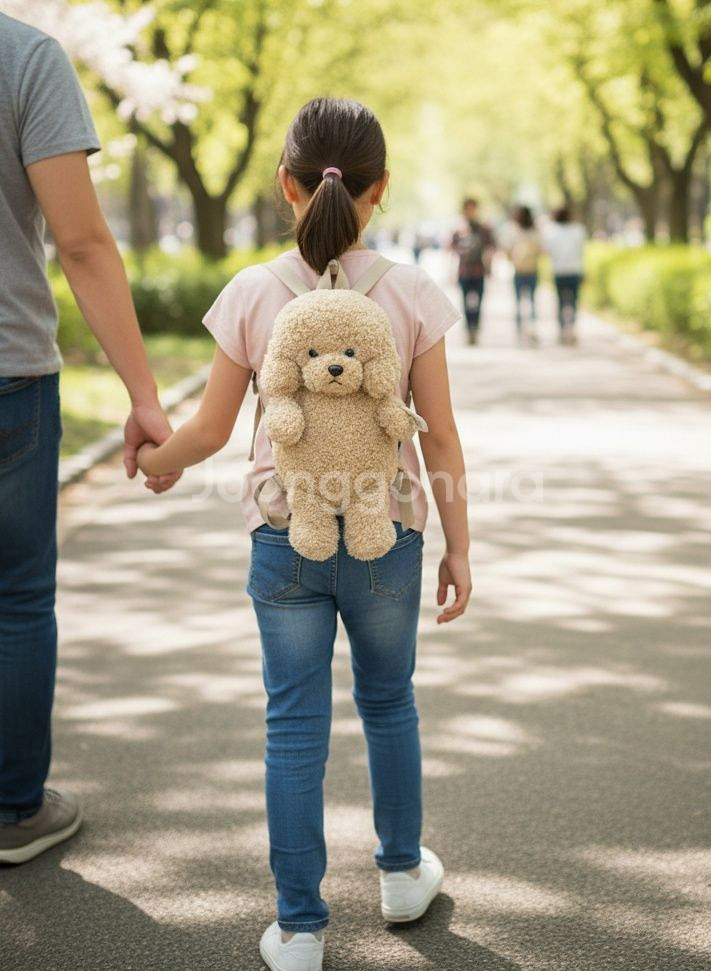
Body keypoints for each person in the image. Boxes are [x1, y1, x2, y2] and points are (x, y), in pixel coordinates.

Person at [135, 97, 472, 971]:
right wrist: (459, 545)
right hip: (387, 534)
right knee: (389, 700)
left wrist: (160, 459)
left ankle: (297, 928)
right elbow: (436, 432)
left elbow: (210, 430)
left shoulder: (252, 291)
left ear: (286, 185)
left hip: (284, 538)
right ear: (381, 190)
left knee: (293, 726)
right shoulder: (409, 291)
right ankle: (402, 875)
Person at [0, 13, 176, 865]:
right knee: (18, 596)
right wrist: (144, 395)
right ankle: (12, 810)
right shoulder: (25, 57)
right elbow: (79, 240)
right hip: (8, 378)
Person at [450, 197, 495, 345]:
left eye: (473, 208)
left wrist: (490, 267)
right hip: (464, 271)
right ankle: (469, 330)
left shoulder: (482, 228)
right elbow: (452, 250)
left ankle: (475, 329)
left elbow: (490, 248)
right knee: (465, 302)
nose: (471, 211)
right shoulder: (458, 229)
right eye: (468, 208)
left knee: (479, 302)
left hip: (479, 270)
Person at [542, 204, 587, 345]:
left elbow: (547, 251)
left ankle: (562, 330)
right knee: (573, 302)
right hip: (575, 270)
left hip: (559, 271)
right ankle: (571, 328)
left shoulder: (551, 231)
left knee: (561, 302)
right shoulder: (578, 230)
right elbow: (581, 252)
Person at [503, 205, 542, 345]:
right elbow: (541, 250)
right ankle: (532, 330)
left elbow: (507, 249)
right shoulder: (534, 231)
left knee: (518, 302)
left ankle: (519, 332)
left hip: (518, 270)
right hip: (532, 269)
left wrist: (512, 259)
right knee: (532, 301)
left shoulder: (513, 230)